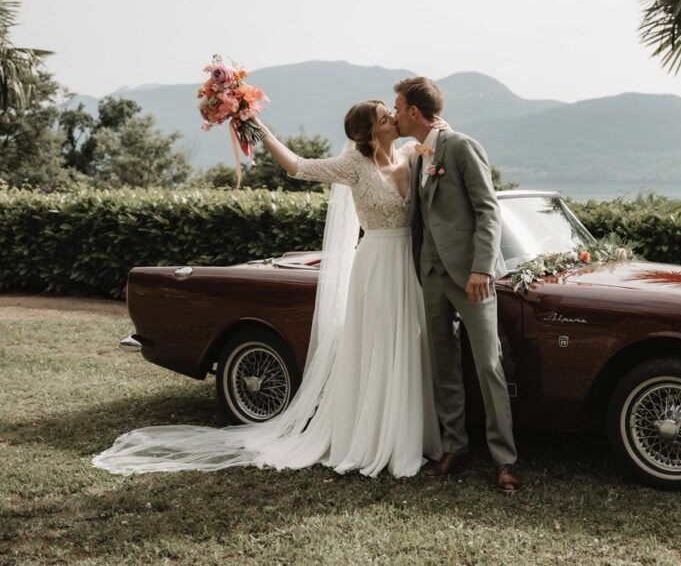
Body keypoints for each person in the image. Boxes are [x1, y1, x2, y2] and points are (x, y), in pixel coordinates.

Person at [92, 100, 442, 478]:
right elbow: (297, 166)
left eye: (391, 113)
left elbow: (440, 138)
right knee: (377, 346)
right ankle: (374, 438)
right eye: (384, 117)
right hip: (374, 265)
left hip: (406, 266)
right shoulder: (354, 165)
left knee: (408, 343)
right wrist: (255, 125)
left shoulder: (411, 155)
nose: (393, 118)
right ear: (370, 132)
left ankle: (410, 433)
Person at [393, 76, 521, 493]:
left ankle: (504, 459)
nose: (395, 116)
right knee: (442, 363)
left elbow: (488, 210)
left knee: (488, 365)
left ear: (414, 112)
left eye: (398, 109)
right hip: (431, 274)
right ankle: (455, 447)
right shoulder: (417, 157)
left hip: (471, 277)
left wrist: (482, 269)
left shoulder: (462, 146)